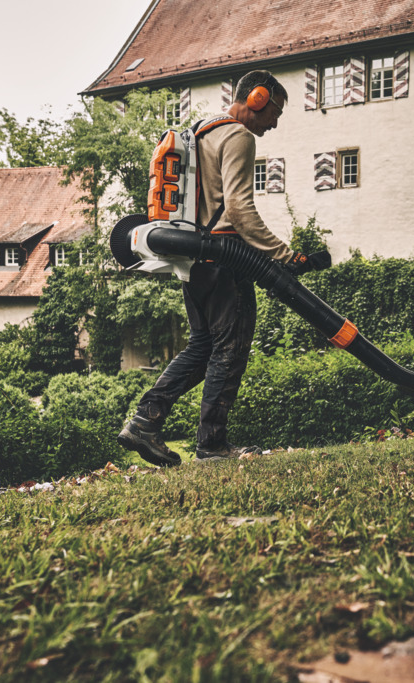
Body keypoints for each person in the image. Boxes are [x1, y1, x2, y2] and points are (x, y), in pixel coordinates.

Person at [118, 70, 330, 466]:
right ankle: (212, 446)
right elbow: (239, 209)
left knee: (202, 347)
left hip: (193, 259)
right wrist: (285, 255)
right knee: (229, 350)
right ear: (257, 98)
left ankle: (144, 423)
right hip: (225, 258)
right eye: (275, 112)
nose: (275, 123)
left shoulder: (201, 131)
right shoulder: (238, 136)